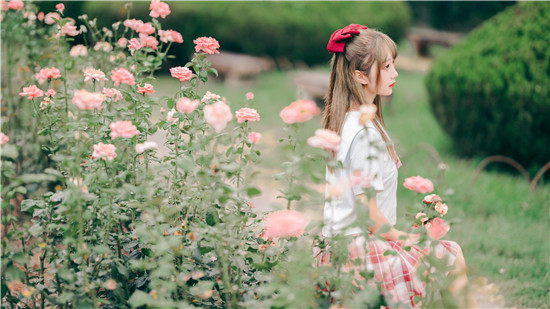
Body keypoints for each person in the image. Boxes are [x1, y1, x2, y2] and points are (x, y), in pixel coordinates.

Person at [316, 24, 478, 308]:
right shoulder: (366, 134)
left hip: (334, 247)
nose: (395, 73)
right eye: (387, 66)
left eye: (394, 65)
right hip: (359, 251)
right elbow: (367, 212)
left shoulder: (346, 121)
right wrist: (404, 236)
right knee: (449, 256)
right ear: (359, 75)